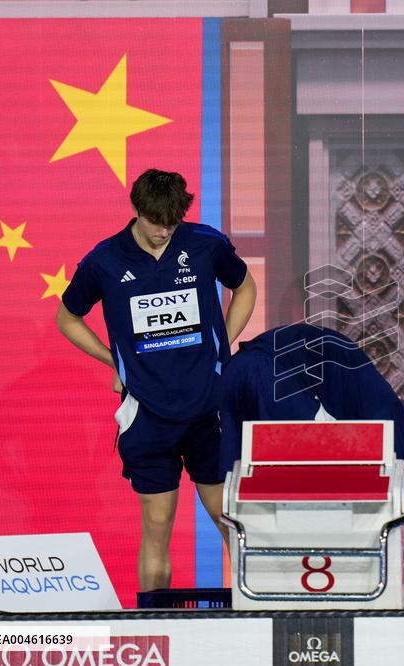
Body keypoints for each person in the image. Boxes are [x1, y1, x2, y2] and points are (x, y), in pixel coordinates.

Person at [57, 169, 256, 591]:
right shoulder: (104, 260)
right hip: (148, 415)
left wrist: (223, 345)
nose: (164, 231)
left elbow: (245, 287)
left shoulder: (205, 243)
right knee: (157, 523)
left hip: (208, 410)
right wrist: (115, 360)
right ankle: (156, 626)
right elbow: (67, 318)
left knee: (230, 520)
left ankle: (256, 613)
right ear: (136, 209)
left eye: (172, 222)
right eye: (155, 222)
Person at [218, 323, 404, 477]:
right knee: (302, 482)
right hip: (271, 377)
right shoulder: (392, 426)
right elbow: (391, 463)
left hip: (235, 371)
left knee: (232, 481)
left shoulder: (360, 391)